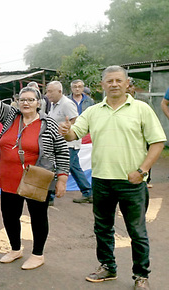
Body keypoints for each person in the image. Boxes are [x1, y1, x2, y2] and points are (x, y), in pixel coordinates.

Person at [59, 66, 166, 289]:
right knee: (102, 228)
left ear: (128, 84)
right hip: (101, 180)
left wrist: (142, 171)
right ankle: (108, 266)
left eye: (119, 80)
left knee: (137, 231)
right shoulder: (93, 111)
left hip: (132, 182)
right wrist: (66, 130)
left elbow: (157, 142)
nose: (114, 84)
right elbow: (74, 134)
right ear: (102, 85)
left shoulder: (141, 109)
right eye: (110, 81)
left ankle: (141, 276)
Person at [0, 62, 70, 270]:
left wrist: (62, 179)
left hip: (36, 179)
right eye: (22, 100)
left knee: (38, 218)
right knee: (9, 216)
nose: (26, 103)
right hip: (8, 178)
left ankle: (38, 254)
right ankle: (15, 249)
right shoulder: (11, 117)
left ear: (38, 103)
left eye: (31, 100)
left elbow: (62, 151)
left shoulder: (48, 124)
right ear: (17, 102)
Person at [46, 81, 92, 204]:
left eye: (50, 91)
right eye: (47, 91)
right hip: (60, 143)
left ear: (59, 92)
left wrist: (66, 128)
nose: (47, 94)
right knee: (74, 168)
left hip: (68, 144)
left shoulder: (66, 104)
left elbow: (75, 120)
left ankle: (50, 197)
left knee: (60, 168)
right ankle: (88, 192)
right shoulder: (53, 104)